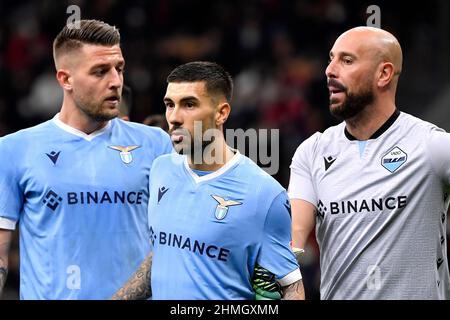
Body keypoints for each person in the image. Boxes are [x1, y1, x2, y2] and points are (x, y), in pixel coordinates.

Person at [0, 19, 172, 299]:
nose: (115, 82)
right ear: (65, 79)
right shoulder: (13, 150)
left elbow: (173, 243)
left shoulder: (156, 144)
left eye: (119, 69)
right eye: (100, 72)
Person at [112, 61, 304, 300]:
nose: (174, 118)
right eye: (169, 105)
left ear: (221, 113)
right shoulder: (160, 169)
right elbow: (164, 251)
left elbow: (291, 288)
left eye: (189, 104)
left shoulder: (264, 194)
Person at [288, 26, 450, 299]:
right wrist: (282, 275)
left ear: (384, 74)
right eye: (331, 58)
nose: (330, 70)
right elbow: (294, 235)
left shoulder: (431, 146)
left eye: (347, 60)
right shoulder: (312, 151)